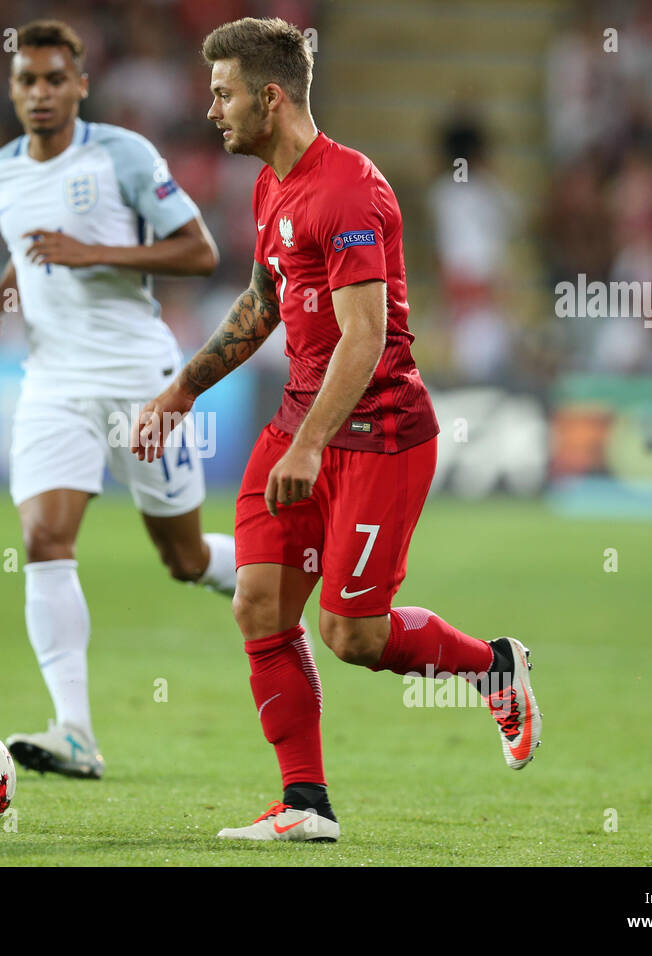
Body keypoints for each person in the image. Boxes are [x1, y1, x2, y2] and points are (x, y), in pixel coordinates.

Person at [132, 17, 542, 842]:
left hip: (380, 433)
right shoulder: (270, 186)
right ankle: (305, 805)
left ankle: (493, 667)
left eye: (224, 94)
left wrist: (311, 445)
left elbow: (367, 337)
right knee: (257, 604)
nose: (212, 110)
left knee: (353, 634)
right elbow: (261, 305)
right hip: (301, 422)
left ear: (270, 97)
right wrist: (181, 392)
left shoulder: (351, 187)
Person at [0, 19, 237, 780]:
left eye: (56, 79)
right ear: (13, 89)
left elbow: (200, 250)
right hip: (53, 382)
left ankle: (273, 582)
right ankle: (74, 732)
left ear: (81, 84)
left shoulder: (122, 154)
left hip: (140, 382)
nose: (41, 93)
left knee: (182, 558)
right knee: (46, 539)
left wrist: (98, 252)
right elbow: (30, 251)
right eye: (28, 81)